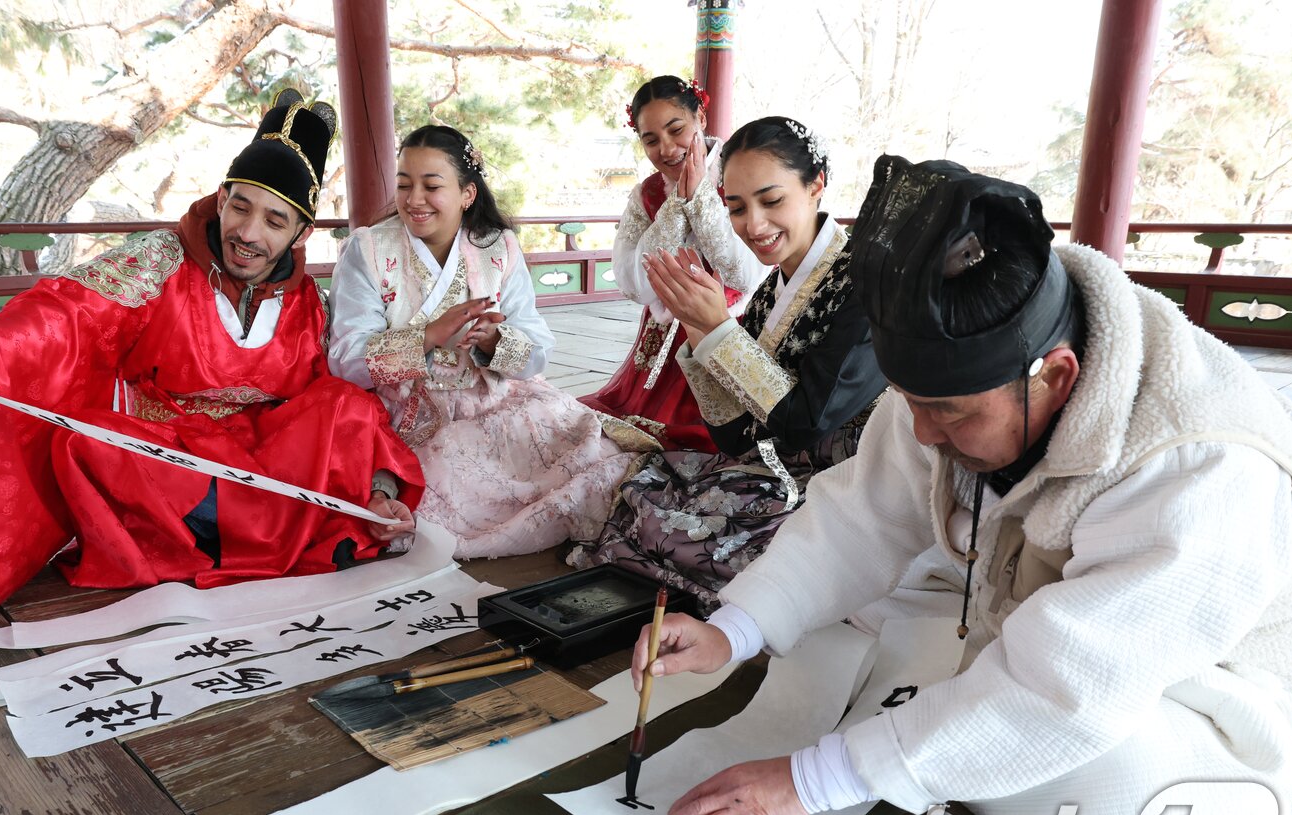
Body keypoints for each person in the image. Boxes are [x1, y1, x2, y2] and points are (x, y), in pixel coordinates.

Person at [631, 154, 1292, 815]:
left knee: (1090, 782)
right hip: (1022, 612)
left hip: (1206, 677)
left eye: (947, 413)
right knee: (831, 623)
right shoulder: (962, 379)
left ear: (1057, 376)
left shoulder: (1201, 465)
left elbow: (1068, 691)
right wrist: (732, 630)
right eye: (910, 402)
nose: (921, 433)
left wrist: (812, 781)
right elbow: (863, 516)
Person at [0, 90, 424, 616]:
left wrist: (379, 490)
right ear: (221, 199)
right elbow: (67, 312)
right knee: (85, 441)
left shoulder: (311, 304)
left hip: (266, 461)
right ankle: (277, 540)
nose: (248, 234)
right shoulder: (160, 261)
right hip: (171, 459)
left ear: (301, 232)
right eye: (240, 207)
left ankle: (234, 542)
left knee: (347, 402)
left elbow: (346, 418)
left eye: (274, 221)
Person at [570, 117, 885, 610]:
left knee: (693, 533)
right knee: (639, 496)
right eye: (736, 208)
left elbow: (804, 421)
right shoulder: (772, 290)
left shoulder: (867, 282)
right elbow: (734, 436)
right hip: (771, 465)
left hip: (846, 478)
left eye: (771, 200)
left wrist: (720, 329)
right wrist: (700, 331)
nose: (753, 226)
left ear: (816, 185)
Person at [328, 124, 651, 558]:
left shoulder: (498, 248)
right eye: (404, 185)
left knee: (586, 453)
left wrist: (495, 341)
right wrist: (429, 336)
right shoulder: (368, 250)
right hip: (403, 411)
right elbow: (346, 360)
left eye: (431, 186)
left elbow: (537, 350)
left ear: (467, 193)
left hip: (491, 399)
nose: (414, 199)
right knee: (445, 479)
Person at [579, 76, 766, 451]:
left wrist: (700, 198)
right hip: (660, 341)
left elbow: (744, 274)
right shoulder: (647, 194)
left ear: (701, 118)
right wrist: (676, 208)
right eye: (651, 140)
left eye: (676, 130)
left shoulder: (743, 174)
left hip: (732, 330)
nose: (666, 148)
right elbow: (634, 286)